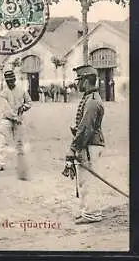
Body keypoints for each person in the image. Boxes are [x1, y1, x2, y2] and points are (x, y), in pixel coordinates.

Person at [62, 65, 106, 225]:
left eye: (79, 80)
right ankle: (88, 211)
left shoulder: (92, 101)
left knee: (88, 181)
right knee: (84, 180)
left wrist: (73, 148)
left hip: (90, 145)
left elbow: (85, 129)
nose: (77, 83)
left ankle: (93, 214)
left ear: (87, 80)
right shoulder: (90, 97)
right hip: (89, 144)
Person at [0, 70, 32, 180]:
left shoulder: (21, 90)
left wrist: (24, 107)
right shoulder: (4, 93)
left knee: (19, 142)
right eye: (8, 81)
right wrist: (16, 117)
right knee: (3, 141)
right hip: (7, 119)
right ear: (6, 81)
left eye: (11, 80)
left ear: (14, 79)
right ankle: (0, 163)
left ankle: (20, 163)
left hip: (18, 118)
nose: (10, 82)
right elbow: (6, 110)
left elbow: (29, 102)